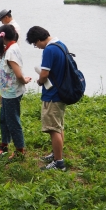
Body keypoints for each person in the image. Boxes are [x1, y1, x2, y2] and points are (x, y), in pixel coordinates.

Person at [26, 26, 68, 171]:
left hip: (53, 95)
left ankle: (59, 162)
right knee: (58, 126)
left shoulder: (49, 50)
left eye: (35, 44)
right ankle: (57, 154)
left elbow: (44, 75)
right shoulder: (60, 44)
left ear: (38, 39)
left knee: (53, 129)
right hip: (61, 92)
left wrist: (39, 81)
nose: (36, 47)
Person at [0, 24, 31, 159]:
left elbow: (17, 73)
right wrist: (2, 92)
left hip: (12, 93)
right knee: (4, 119)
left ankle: (19, 150)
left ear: (2, 37)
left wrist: (24, 80)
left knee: (12, 121)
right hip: (7, 92)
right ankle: (4, 144)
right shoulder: (10, 48)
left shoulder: (11, 51)